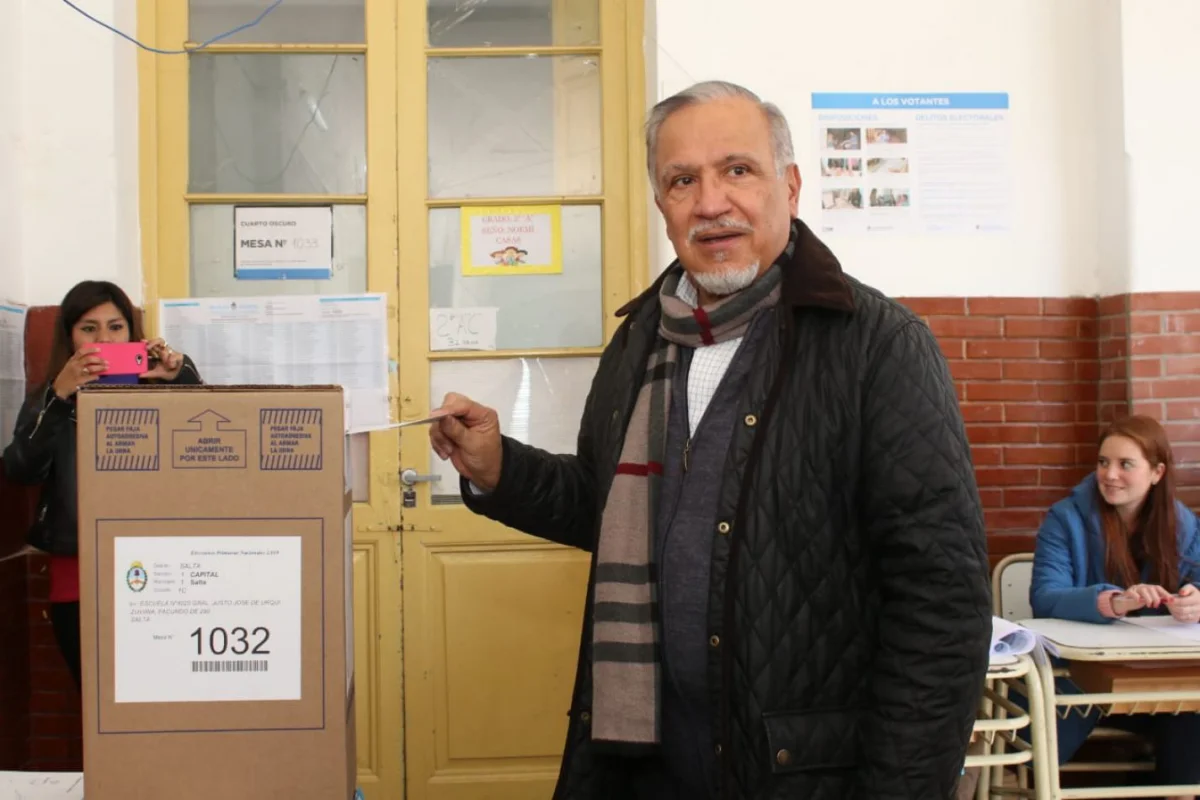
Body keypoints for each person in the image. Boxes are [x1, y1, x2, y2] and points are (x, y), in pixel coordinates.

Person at [428, 80, 991, 799]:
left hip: (800, 775)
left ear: (790, 186)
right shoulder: (640, 339)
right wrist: (499, 469)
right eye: (682, 180)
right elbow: (603, 503)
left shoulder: (878, 347)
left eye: (738, 170)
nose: (711, 202)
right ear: (662, 204)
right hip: (641, 765)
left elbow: (942, 607)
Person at [3, 280, 202, 688]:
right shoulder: (51, 398)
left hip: (160, 571)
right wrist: (59, 396)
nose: (104, 340)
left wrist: (180, 376)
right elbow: (21, 469)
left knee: (160, 696)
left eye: (115, 327)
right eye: (89, 329)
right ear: (70, 337)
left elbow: (208, 451)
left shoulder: (157, 388)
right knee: (96, 698)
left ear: (132, 333)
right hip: (78, 572)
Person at [1031, 415, 1200, 798]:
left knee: (1194, 706)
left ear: (1157, 473)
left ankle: (1179, 794)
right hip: (1084, 678)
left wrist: (1196, 600)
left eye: (1125, 464)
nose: (1109, 475)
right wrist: (1114, 602)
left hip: (1159, 679)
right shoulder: (1065, 518)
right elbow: (1045, 596)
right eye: (1103, 462)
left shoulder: (1183, 523)